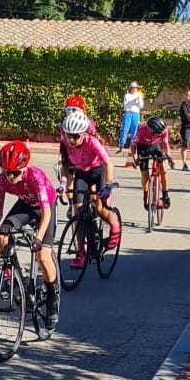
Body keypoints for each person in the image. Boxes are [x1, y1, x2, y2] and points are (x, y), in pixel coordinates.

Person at [0, 139, 59, 322]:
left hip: (45, 207)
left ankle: (52, 295)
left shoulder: (35, 177)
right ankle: (13, 278)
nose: (10, 177)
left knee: (43, 255)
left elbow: (46, 213)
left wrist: (38, 239)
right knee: (2, 235)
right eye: (6, 173)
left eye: (14, 173)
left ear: (24, 168)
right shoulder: (1, 181)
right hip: (25, 205)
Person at [59, 107, 120, 266]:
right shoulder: (65, 143)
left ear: (83, 134)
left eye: (75, 136)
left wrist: (108, 185)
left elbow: (108, 163)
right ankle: (81, 252)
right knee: (79, 211)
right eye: (68, 135)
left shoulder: (92, 142)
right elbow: (65, 166)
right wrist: (63, 183)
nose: (71, 140)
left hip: (97, 172)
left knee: (99, 208)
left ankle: (114, 225)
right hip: (81, 173)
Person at [134, 111, 174, 210]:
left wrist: (169, 157)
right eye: (158, 133)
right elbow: (133, 145)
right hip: (142, 146)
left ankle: (165, 194)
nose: (160, 134)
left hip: (155, 145)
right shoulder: (142, 129)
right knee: (144, 173)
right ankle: (145, 196)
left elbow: (165, 143)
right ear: (151, 129)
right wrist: (135, 158)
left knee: (163, 169)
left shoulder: (164, 130)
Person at [118, 81, 144, 158]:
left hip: (136, 114)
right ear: (130, 88)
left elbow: (141, 106)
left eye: (135, 88)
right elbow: (125, 106)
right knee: (125, 129)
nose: (134, 89)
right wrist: (132, 101)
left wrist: (139, 99)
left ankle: (132, 147)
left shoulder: (139, 95)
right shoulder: (127, 95)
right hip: (128, 113)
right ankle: (121, 146)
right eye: (133, 88)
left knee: (135, 130)